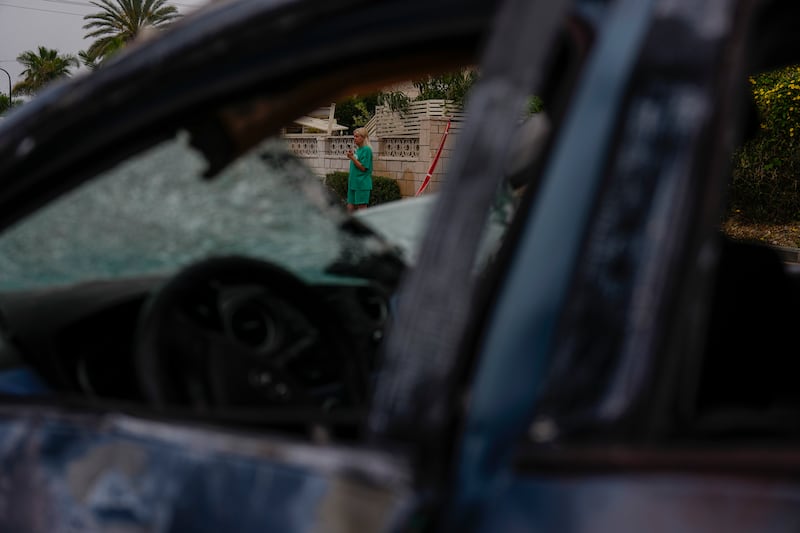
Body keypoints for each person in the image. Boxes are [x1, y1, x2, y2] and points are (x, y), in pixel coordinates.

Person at [346, 127, 373, 212]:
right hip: (353, 183)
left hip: (362, 184)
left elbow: (363, 167)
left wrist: (352, 158)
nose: (355, 138)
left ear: (363, 138)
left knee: (362, 208)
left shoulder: (367, 150)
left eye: (357, 136)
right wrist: (353, 156)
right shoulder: (358, 150)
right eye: (354, 136)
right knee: (350, 206)